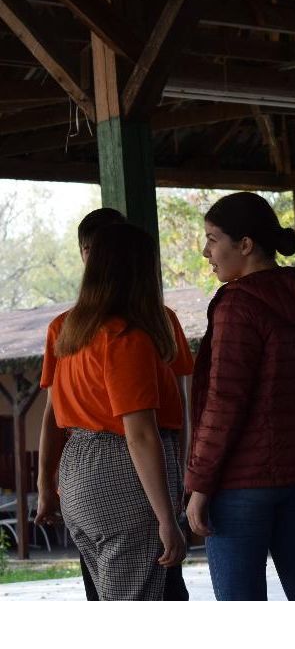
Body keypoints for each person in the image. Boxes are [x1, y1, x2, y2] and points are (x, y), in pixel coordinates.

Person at [185, 192, 295, 601]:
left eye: (212, 239)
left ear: (245, 244)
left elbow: (224, 401)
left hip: (243, 479)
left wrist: (199, 487)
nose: (206, 252)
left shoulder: (238, 303)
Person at [36, 208, 193, 601]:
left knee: (113, 595)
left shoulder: (72, 330)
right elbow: (140, 434)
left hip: (77, 468)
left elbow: (55, 414)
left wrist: (47, 484)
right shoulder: (125, 336)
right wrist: (167, 517)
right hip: (123, 470)